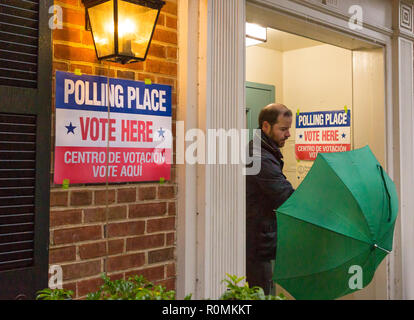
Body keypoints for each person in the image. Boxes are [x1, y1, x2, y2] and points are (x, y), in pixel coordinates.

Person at [246, 103, 295, 295]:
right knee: (262, 293)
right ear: (266, 126)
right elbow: (284, 196)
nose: (288, 134)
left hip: (260, 242)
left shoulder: (265, 151)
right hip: (255, 245)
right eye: (283, 129)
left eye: (289, 128)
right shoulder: (259, 156)